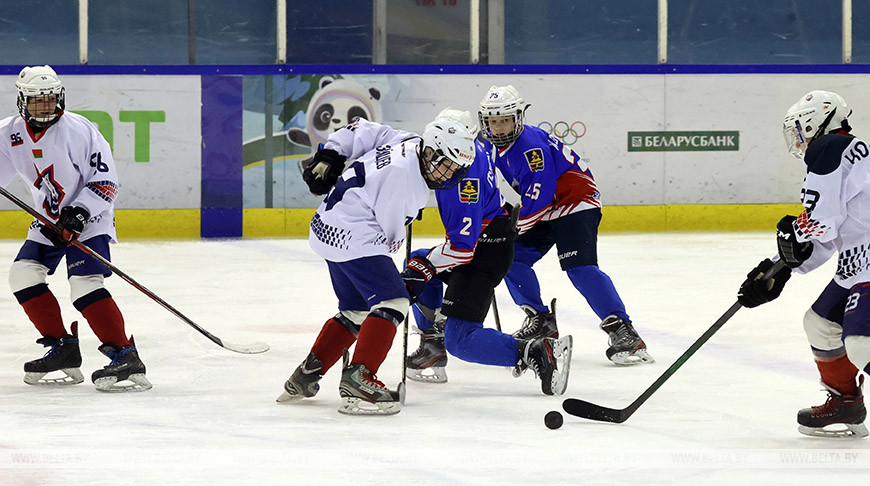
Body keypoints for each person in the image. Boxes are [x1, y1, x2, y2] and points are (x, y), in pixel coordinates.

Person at [277, 117, 475, 415]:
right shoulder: (406, 182)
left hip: (326, 226)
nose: (452, 174)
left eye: (458, 169)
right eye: (448, 165)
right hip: (353, 234)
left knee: (355, 310)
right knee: (394, 302)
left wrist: (331, 153)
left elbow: (364, 129)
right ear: (432, 152)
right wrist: (399, 281)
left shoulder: (408, 140)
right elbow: (390, 236)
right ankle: (359, 378)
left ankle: (307, 375)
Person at [477, 85, 653, 366]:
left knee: (579, 268)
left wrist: (513, 227)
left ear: (518, 117)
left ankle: (623, 330)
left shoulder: (530, 145)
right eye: (493, 121)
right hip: (545, 208)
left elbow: (540, 193)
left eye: (505, 120)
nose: (499, 128)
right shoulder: (487, 145)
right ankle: (541, 321)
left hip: (575, 202)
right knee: (511, 260)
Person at [0, 65, 150, 392]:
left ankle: (125, 353)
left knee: (83, 284)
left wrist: (79, 214)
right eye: (37, 100)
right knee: (23, 275)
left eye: (50, 99)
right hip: (49, 219)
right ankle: (62, 348)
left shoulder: (78, 129)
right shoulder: (8, 133)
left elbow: (106, 180)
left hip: (90, 218)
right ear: (22, 100)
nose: (45, 106)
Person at [737, 90, 870, 438]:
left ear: (816, 121)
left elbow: (819, 221)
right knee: (820, 324)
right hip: (859, 262)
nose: (798, 139)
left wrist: (793, 235)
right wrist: (776, 271)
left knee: (861, 342)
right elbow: (824, 237)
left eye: (799, 129)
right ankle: (846, 403)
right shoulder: (843, 153)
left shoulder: (829, 148)